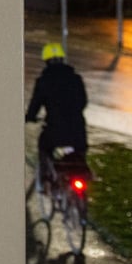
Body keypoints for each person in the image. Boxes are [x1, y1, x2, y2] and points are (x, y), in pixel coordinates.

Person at [26, 43, 89, 187]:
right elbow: (83, 102)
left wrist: (29, 117)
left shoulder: (43, 81)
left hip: (55, 131)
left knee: (44, 146)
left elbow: (35, 106)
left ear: (46, 61)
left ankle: (45, 180)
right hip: (78, 131)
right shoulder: (76, 78)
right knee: (79, 156)